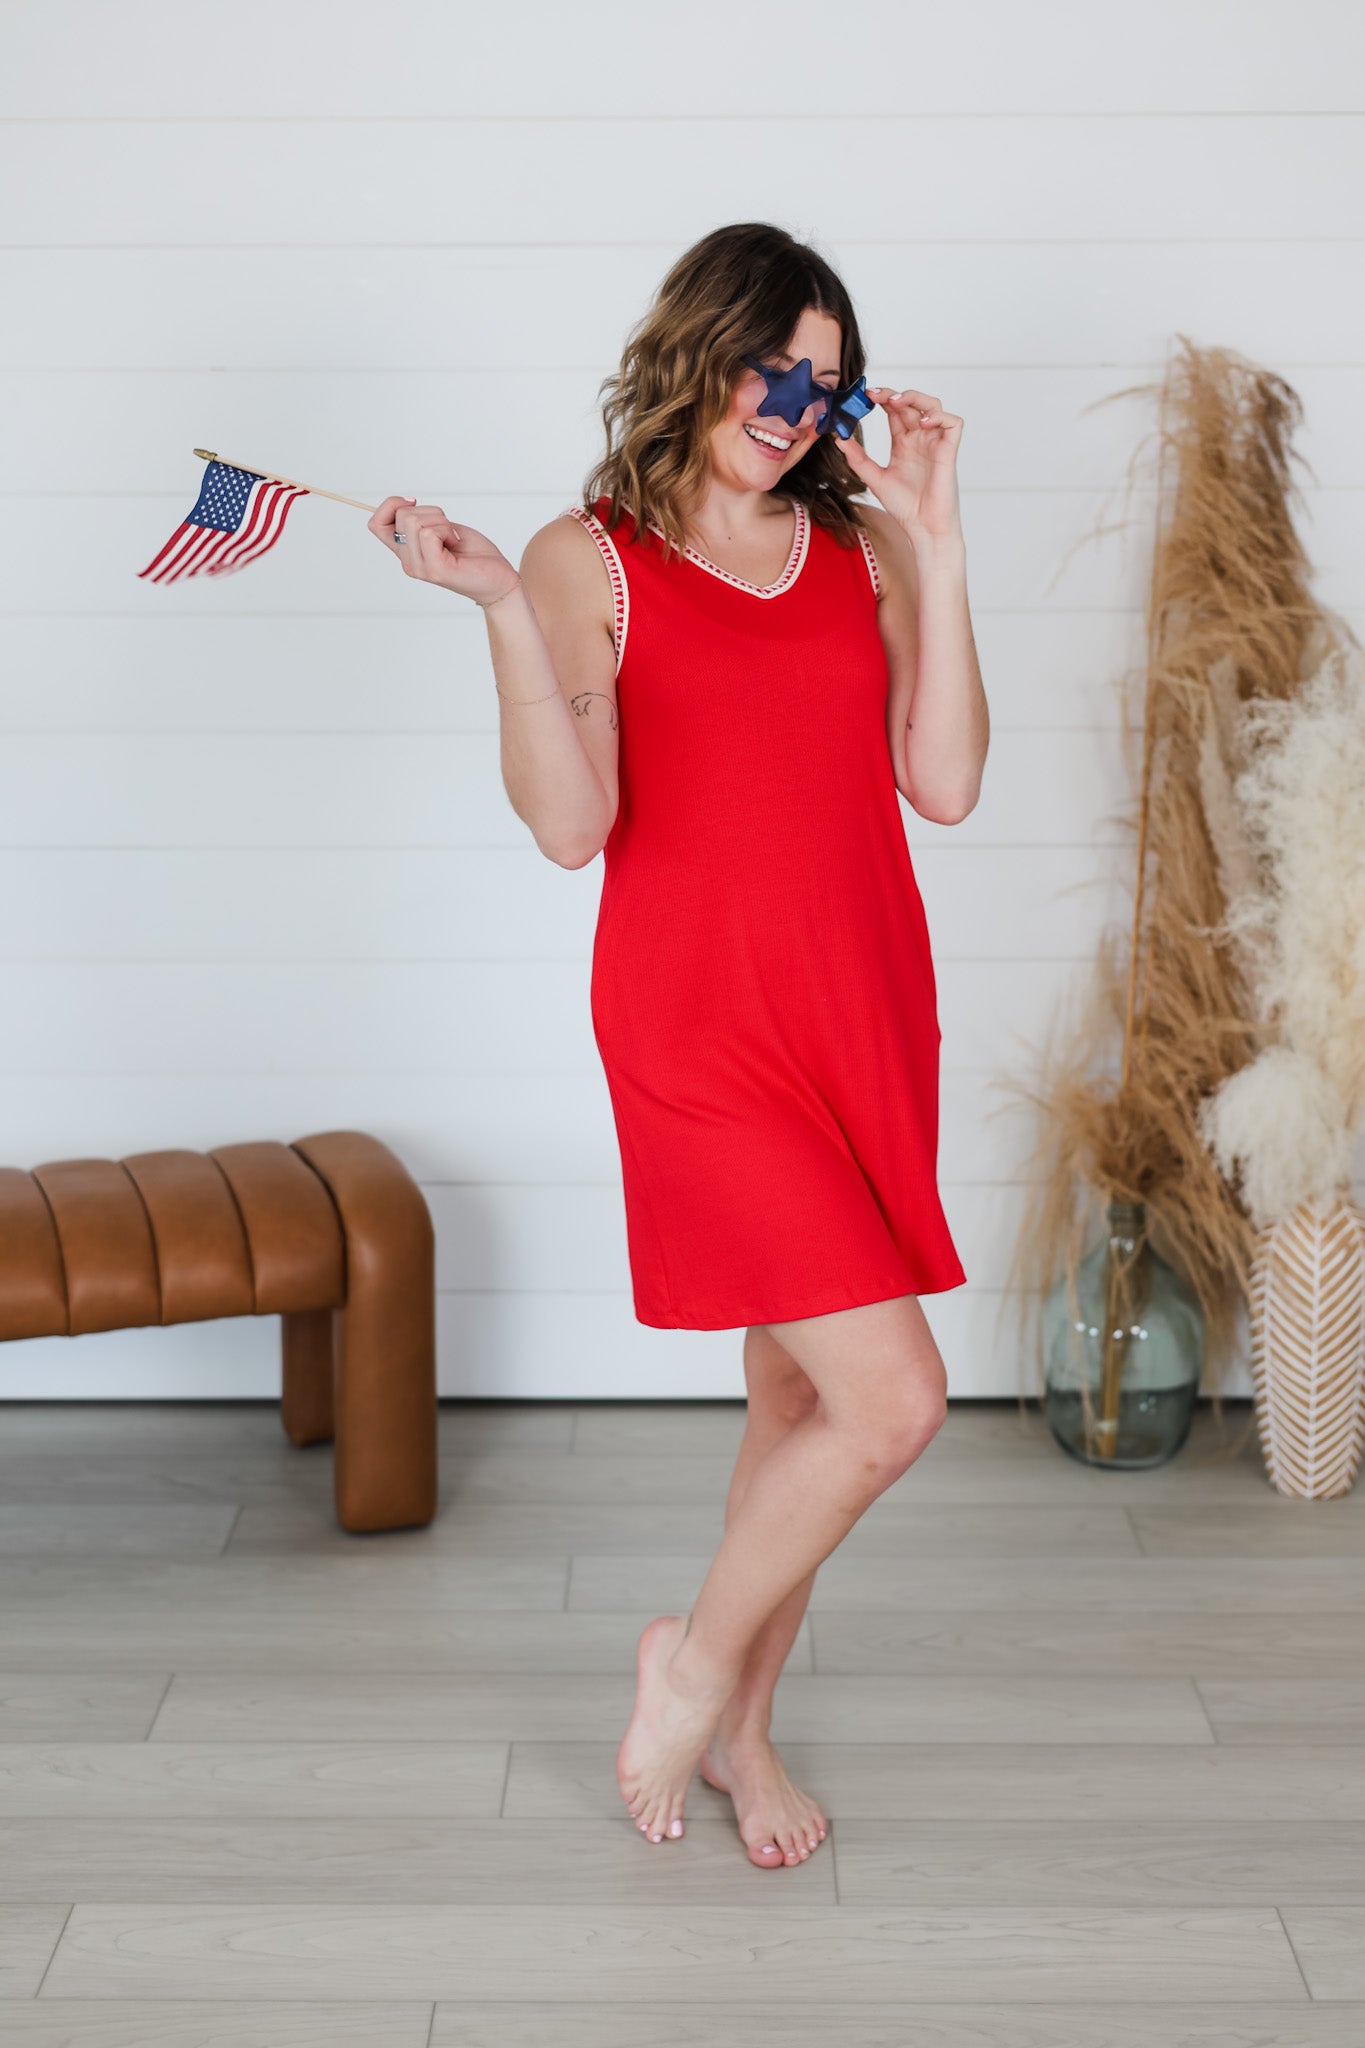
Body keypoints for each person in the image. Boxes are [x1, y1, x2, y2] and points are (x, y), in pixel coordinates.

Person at [368, 221, 989, 1870]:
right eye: (771, 369)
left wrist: (938, 548)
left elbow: (942, 784)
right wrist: (503, 613)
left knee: (800, 1397)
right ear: (701, 356)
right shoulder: (588, 556)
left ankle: (743, 1733)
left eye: (826, 387)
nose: (794, 408)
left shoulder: (861, 547)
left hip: (862, 1011)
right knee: (895, 1401)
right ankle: (690, 1669)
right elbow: (574, 828)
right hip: (700, 1031)